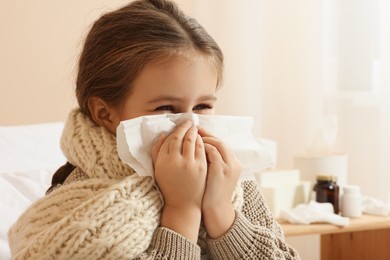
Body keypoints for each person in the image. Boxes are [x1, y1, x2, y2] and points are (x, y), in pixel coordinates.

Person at [8, 0, 300, 259]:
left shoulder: (230, 181)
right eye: (166, 109)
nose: (189, 125)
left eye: (202, 107)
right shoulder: (77, 200)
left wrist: (220, 211)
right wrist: (181, 210)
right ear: (104, 113)